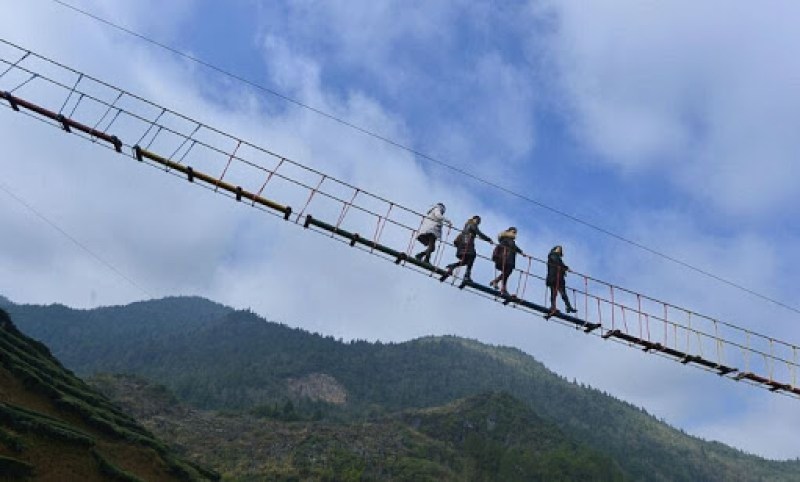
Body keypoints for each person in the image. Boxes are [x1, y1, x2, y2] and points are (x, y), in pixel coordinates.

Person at [440, 215, 494, 282]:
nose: (478, 222)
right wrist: (488, 239)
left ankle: (453, 266)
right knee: (472, 256)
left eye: (479, 222)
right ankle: (466, 275)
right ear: (474, 219)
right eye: (477, 220)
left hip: (461, 246)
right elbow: (479, 233)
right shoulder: (472, 224)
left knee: (466, 261)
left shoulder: (466, 226)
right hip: (467, 244)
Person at [489, 227, 523, 296]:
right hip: (505, 259)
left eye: (515, 233)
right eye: (513, 232)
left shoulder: (508, 240)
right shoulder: (506, 240)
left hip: (508, 259)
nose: (515, 234)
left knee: (506, 274)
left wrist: (521, 252)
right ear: (508, 232)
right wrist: (520, 252)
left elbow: (514, 247)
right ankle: (499, 284)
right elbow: (509, 246)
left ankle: (501, 286)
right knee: (507, 272)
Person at [546, 245, 577, 317]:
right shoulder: (552, 255)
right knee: (554, 293)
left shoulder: (558, 258)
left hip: (559, 279)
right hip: (553, 278)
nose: (560, 250)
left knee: (563, 294)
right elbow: (557, 262)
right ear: (554, 249)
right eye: (559, 248)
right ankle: (553, 306)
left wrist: (564, 269)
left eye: (561, 249)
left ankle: (568, 307)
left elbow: (559, 264)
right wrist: (566, 268)